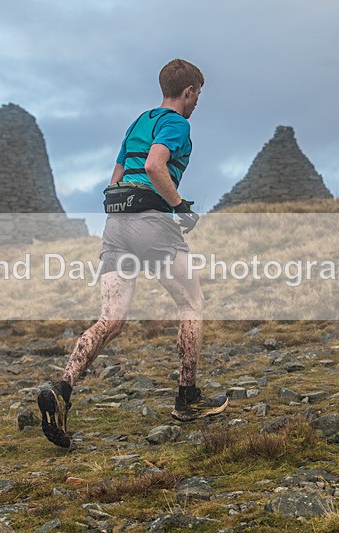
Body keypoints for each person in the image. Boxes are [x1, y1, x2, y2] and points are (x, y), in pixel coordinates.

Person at [36, 58, 228, 448]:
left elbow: (116, 177)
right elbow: (157, 166)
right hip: (151, 222)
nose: (197, 103)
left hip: (117, 224)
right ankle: (187, 399)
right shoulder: (177, 123)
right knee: (192, 304)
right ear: (188, 91)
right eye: (198, 95)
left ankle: (62, 390)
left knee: (111, 319)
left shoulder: (138, 121)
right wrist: (180, 207)